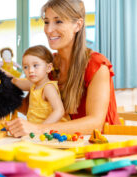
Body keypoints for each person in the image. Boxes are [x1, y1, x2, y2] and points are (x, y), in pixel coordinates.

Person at [7, 0, 120, 137]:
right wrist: (0, 89)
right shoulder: (50, 64)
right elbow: (29, 107)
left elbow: (95, 123)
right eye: (46, 22)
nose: (48, 30)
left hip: (100, 146)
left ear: (77, 25)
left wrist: (38, 129)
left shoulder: (97, 66)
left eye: (58, 21)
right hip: (64, 142)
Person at [21, 45, 68, 124]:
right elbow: (14, 81)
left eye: (35, 65)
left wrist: (40, 128)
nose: (30, 70)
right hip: (37, 131)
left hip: (49, 131)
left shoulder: (48, 87)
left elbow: (59, 111)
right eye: (26, 67)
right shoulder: (32, 85)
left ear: (48, 68)